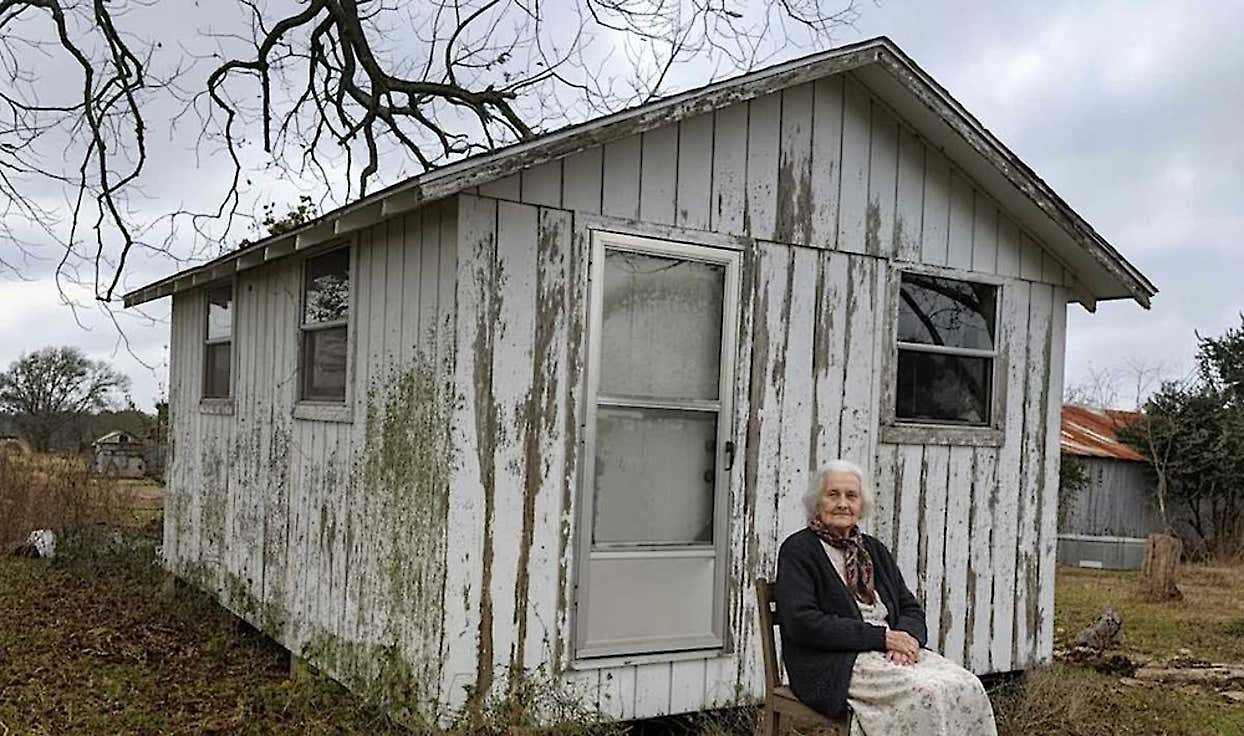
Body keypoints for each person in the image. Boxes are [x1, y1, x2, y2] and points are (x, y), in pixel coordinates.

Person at [775, 459, 998, 736]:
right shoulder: (799, 550)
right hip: (832, 663)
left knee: (967, 685)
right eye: (833, 494)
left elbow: (909, 608)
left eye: (851, 495)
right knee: (925, 694)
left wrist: (904, 639)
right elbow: (803, 622)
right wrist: (882, 638)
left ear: (861, 504)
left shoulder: (873, 550)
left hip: (889, 653)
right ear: (816, 501)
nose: (843, 503)